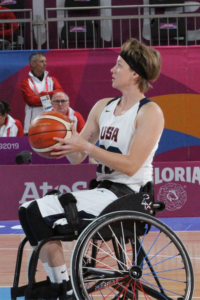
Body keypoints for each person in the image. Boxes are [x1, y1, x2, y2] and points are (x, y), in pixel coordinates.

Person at [18, 38, 164, 299]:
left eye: (118, 65)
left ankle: (67, 289)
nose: (112, 69)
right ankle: (62, 285)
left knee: (35, 210)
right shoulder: (102, 107)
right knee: (28, 211)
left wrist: (85, 146)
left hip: (128, 197)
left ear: (135, 74)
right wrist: (60, 141)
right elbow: (76, 156)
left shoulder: (149, 112)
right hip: (103, 192)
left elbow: (131, 166)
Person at [21, 52, 63, 135]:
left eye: (45, 61)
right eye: (41, 61)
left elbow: (60, 94)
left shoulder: (52, 80)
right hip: (33, 123)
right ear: (33, 64)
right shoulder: (26, 82)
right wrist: (50, 99)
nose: (45, 64)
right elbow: (31, 100)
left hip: (51, 122)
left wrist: (43, 94)